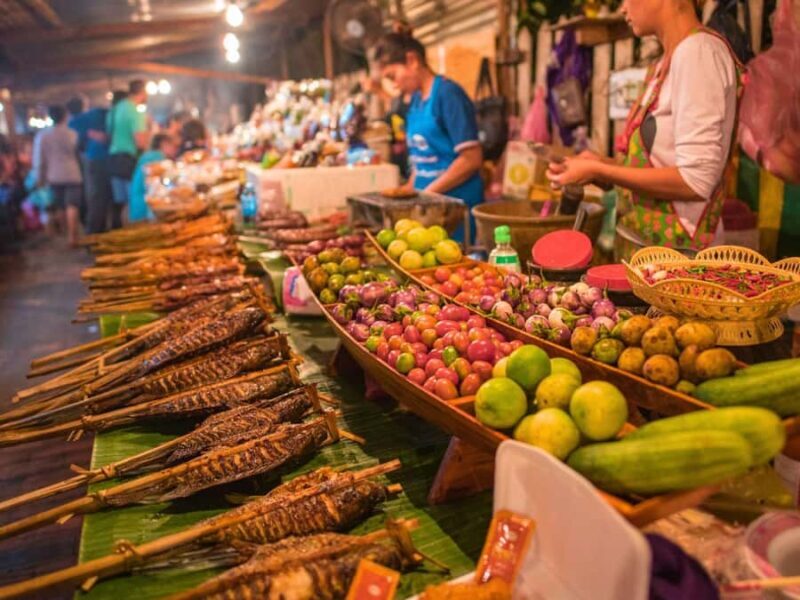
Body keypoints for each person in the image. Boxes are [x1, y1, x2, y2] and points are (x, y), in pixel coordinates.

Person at [547, 0, 742, 259]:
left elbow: (696, 181)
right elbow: (661, 165)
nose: (623, 8)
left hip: (683, 260)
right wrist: (600, 165)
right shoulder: (665, 62)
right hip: (650, 252)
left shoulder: (698, 53)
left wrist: (599, 170)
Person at [374, 32, 483, 243]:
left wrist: (427, 194)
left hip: (454, 210)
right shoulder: (415, 100)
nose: (394, 85)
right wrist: (409, 190)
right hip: (429, 210)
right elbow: (422, 155)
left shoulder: (448, 94)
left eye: (393, 76)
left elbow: (471, 158)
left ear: (412, 60)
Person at [33, 105, 83, 245]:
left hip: (54, 175)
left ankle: (66, 233)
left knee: (61, 206)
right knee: (72, 204)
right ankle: (73, 236)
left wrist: (40, 177)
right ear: (65, 116)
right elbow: (80, 154)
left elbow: (39, 159)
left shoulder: (42, 136)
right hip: (73, 173)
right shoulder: (73, 134)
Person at [107, 80, 150, 227]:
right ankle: (132, 231)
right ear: (142, 92)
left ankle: (122, 231)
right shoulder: (134, 111)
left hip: (113, 159)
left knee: (121, 203)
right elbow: (140, 142)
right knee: (133, 200)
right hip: (128, 161)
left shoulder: (115, 110)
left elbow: (109, 134)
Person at [68, 96, 112, 234]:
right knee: (102, 197)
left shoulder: (74, 122)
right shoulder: (96, 114)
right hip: (104, 158)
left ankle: (95, 231)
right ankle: (97, 231)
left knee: (96, 197)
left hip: (92, 160)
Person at [129, 133, 179, 223]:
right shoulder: (157, 159)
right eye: (173, 146)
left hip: (137, 206)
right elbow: (158, 189)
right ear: (164, 144)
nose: (175, 150)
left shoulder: (149, 157)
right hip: (144, 209)